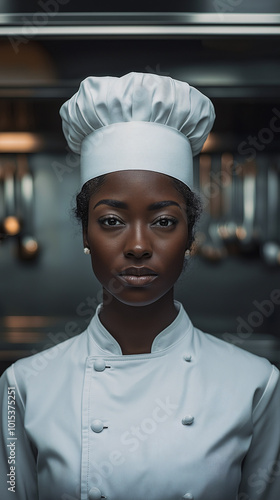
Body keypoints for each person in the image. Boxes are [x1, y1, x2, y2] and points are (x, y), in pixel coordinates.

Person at [0, 72, 279, 500]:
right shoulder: (23, 387)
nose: (136, 246)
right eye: (111, 221)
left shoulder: (257, 386)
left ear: (190, 237)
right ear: (85, 235)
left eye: (164, 221)